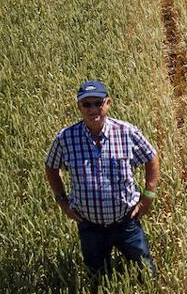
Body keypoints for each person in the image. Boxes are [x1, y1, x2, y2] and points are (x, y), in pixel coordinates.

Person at [45, 80, 160, 281]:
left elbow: (151, 156)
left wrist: (148, 195)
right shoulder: (65, 138)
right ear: (78, 107)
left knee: (146, 273)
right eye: (86, 104)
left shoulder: (126, 132)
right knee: (97, 276)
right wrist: (61, 200)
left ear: (108, 103)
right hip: (90, 226)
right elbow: (51, 167)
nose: (93, 109)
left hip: (126, 222)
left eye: (98, 103)